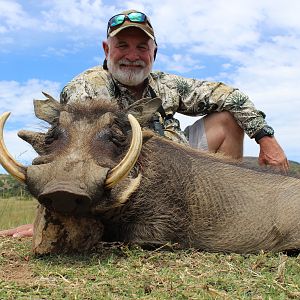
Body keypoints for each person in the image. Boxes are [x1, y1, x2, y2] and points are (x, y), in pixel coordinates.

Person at [0, 9, 289, 238]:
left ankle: (225, 207)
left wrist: (265, 137)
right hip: (134, 178)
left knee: (227, 120)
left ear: (154, 52)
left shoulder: (167, 84)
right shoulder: (86, 89)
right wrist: (53, 213)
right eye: (122, 45)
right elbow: (72, 158)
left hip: (185, 166)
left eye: (142, 47)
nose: (132, 55)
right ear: (106, 49)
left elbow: (229, 96)